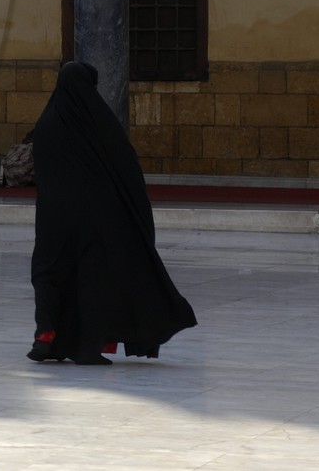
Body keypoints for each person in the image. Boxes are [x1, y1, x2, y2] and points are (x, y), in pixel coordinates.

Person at [27, 61, 197, 365]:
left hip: (53, 218)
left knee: (49, 274)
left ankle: (46, 336)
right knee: (93, 279)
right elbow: (125, 170)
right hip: (95, 219)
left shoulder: (46, 124)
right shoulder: (97, 123)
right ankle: (87, 346)